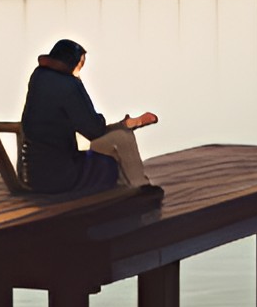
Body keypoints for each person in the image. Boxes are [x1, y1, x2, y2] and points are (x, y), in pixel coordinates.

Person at [19, 38, 160, 196]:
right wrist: (78, 84)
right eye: (80, 64)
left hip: (35, 172)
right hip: (61, 176)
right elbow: (93, 130)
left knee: (113, 148)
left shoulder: (38, 76)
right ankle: (140, 187)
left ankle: (136, 183)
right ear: (73, 63)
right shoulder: (69, 85)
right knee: (121, 141)